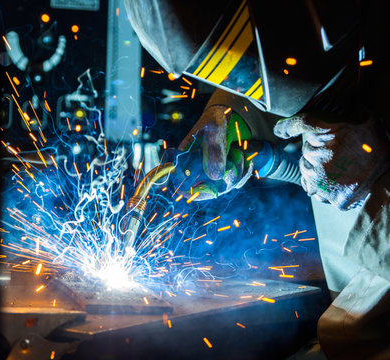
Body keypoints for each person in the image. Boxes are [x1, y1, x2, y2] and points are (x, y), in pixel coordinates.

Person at [124, 0, 390, 359]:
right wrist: (234, 118)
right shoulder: (328, 35)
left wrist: (380, 186)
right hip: (346, 322)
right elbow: (294, 76)